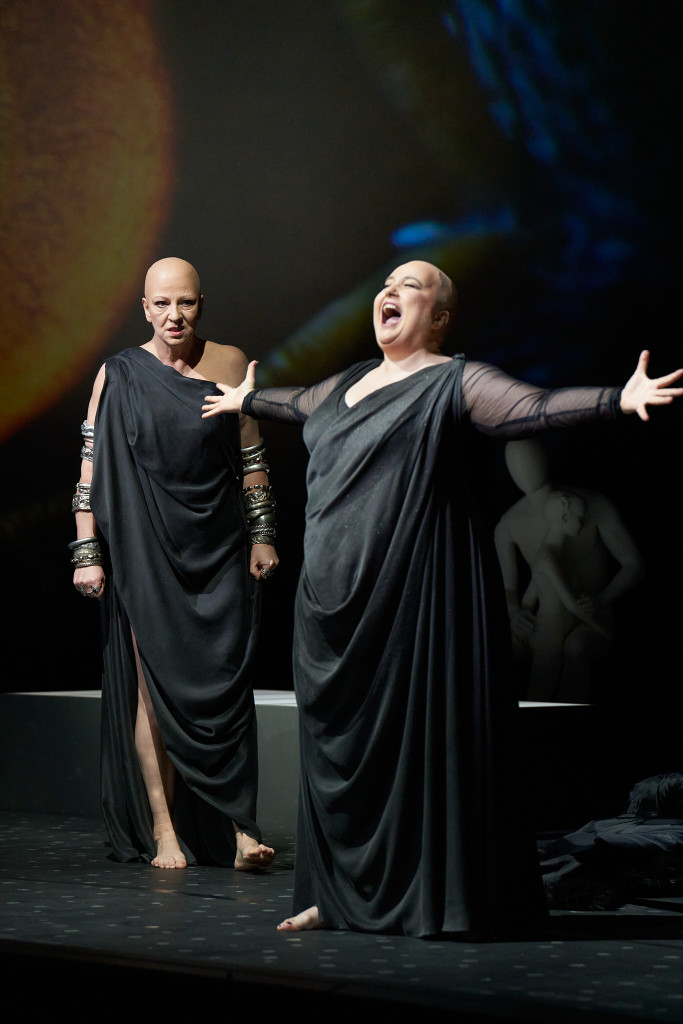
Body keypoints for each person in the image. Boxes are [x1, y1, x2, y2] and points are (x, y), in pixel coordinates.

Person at [202, 259, 682, 937]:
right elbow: (296, 402)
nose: (391, 292)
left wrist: (615, 399)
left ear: (440, 316)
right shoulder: (344, 384)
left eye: (411, 285)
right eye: (387, 284)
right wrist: (246, 401)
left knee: (414, 755)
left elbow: (533, 408)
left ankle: (429, 898)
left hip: (410, 604)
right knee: (337, 760)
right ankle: (335, 896)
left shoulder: (455, 382)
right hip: (329, 613)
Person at [71, 257, 277, 871]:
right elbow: (89, 467)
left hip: (218, 547)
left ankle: (242, 830)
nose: (174, 315)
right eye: (162, 303)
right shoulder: (119, 374)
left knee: (228, 690)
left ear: (200, 304)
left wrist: (263, 537)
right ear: (145, 308)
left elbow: (253, 459)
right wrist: (87, 552)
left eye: (184, 302)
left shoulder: (230, 363)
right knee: (151, 690)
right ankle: (165, 831)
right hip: (145, 551)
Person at [494, 440, 644, 701]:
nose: (580, 522)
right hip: (552, 620)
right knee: (534, 672)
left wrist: (601, 601)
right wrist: (515, 612)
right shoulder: (508, 526)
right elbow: (514, 587)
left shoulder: (592, 504)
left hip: (589, 609)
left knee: (574, 650)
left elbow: (634, 564)